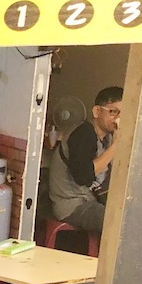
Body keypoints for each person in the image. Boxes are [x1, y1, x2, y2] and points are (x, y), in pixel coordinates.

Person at [47, 86, 122, 235]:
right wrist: (116, 146)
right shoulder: (83, 134)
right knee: (118, 222)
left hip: (90, 200)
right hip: (71, 205)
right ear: (96, 111)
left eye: (123, 114)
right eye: (113, 112)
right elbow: (84, 176)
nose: (118, 119)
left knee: (132, 213)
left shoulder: (107, 138)